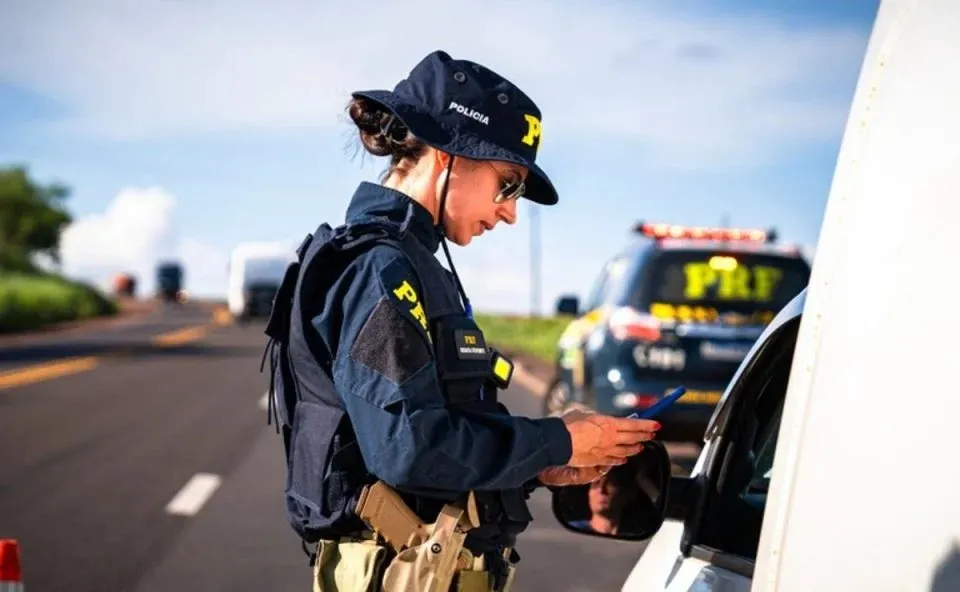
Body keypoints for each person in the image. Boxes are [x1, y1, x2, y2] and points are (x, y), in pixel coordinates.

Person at [262, 49, 661, 592]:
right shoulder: (381, 269)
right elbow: (409, 447)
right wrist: (557, 441)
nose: (511, 211)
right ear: (449, 156)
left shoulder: (416, 265)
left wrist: (541, 465)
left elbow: (443, 441)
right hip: (400, 575)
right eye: (508, 184)